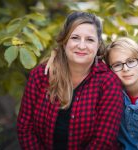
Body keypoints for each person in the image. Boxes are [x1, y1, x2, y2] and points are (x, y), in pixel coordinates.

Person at [17, 11, 123, 150]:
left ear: (98, 45)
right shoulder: (41, 75)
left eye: (90, 40)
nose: (82, 46)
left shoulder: (108, 83)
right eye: (75, 37)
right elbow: (25, 127)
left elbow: (104, 140)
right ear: (64, 41)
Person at [104, 37, 138, 150]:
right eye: (117, 65)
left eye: (130, 61)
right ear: (110, 70)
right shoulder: (110, 94)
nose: (125, 69)